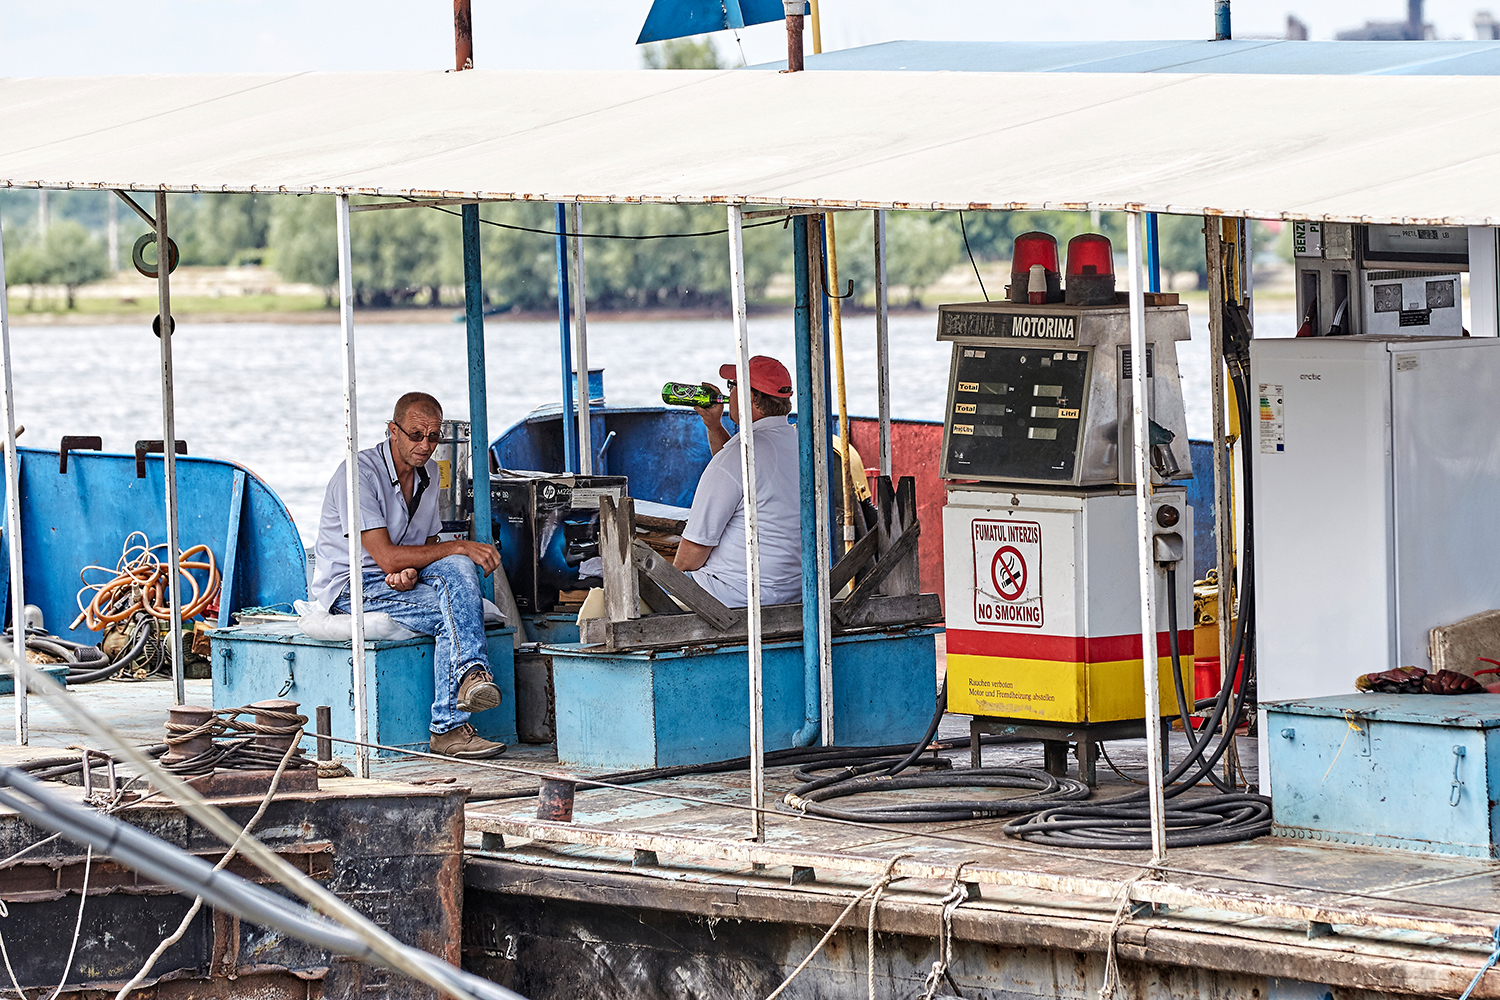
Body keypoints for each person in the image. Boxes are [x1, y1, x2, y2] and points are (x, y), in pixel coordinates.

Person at [310, 391, 507, 760]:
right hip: (353, 587)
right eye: (416, 434)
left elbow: (428, 544)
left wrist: (413, 571)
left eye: (433, 437)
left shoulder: (430, 473)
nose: (425, 445)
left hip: (398, 579)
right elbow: (384, 557)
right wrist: (458, 546)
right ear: (392, 430)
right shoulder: (358, 474)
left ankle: (470, 681)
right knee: (460, 603)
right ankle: (451, 720)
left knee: (459, 569)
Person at [674, 356, 802, 607]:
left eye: (732, 385)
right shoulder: (799, 443)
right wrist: (714, 424)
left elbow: (691, 556)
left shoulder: (737, 456)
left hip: (735, 597)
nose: (727, 392)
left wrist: (666, 585)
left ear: (752, 397)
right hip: (792, 591)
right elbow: (742, 472)